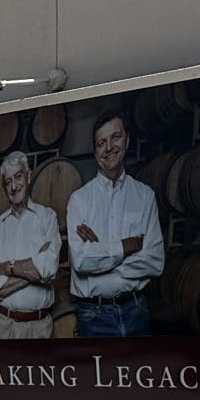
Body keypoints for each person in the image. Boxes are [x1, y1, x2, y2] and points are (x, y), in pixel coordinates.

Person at [65, 104, 164, 336]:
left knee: (142, 373)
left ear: (127, 141)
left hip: (136, 310)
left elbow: (155, 261)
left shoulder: (144, 196)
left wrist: (102, 258)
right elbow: (80, 262)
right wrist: (126, 246)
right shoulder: (79, 200)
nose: (109, 147)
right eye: (101, 143)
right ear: (95, 151)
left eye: (116, 137)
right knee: (99, 374)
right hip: (94, 315)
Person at [0, 150, 61, 339]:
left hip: (38, 327)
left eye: (18, 177)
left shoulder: (47, 218)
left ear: (29, 176)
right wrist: (34, 272)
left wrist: (7, 267)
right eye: (8, 181)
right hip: (3, 326)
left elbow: (48, 269)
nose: (14, 186)